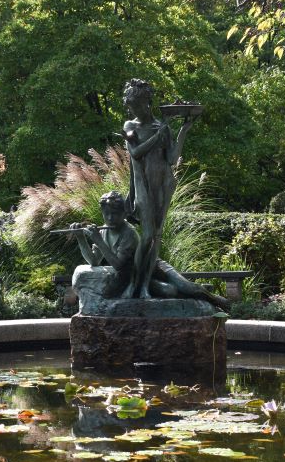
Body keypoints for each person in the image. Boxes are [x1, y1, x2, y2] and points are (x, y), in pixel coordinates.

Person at [72, 191, 229, 311]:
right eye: (107, 214)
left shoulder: (129, 233)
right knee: (170, 291)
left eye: (115, 214)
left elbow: (118, 264)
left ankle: (214, 299)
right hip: (137, 279)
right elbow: (93, 261)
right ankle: (197, 295)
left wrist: (98, 241)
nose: (110, 218)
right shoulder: (104, 232)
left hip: (154, 268)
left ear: (124, 213)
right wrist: (81, 238)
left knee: (186, 287)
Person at [116, 79, 194, 299]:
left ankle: (145, 288)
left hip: (163, 182)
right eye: (130, 105)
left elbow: (171, 158)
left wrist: (183, 131)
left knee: (156, 237)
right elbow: (136, 153)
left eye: (136, 104)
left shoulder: (161, 126)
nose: (132, 109)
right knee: (147, 235)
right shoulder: (130, 127)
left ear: (147, 102)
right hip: (143, 185)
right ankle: (133, 285)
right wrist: (156, 138)